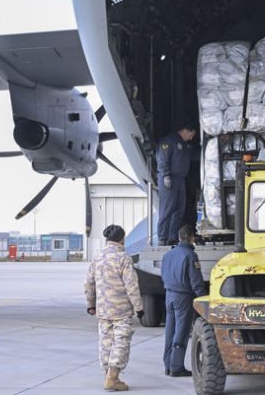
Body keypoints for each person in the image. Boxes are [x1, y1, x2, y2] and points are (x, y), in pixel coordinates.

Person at [85, 225, 144, 391]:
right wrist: (139, 308)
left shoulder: (97, 257)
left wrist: (90, 304)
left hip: (103, 309)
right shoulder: (123, 257)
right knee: (121, 342)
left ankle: (107, 376)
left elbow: (89, 283)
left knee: (105, 343)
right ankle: (113, 377)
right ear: (122, 239)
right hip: (121, 310)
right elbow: (131, 286)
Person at [161, 224, 207, 377]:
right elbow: (196, 281)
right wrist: (203, 298)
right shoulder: (190, 255)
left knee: (170, 330)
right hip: (183, 297)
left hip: (169, 295)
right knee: (181, 331)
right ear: (191, 237)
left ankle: (168, 365)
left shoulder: (168, 254)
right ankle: (177, 367)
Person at [157, 123, 197, 245]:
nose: (191, 138)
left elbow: (194, 155)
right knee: (167, 209)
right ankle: (162, 237)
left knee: (179, 209)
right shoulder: (169, 141)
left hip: (180, 179)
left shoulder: (184, 144)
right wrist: (166, 175)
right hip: (170, 179)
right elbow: (162, 159)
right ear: (185, 130)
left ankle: (172, 237)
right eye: (191, 135)